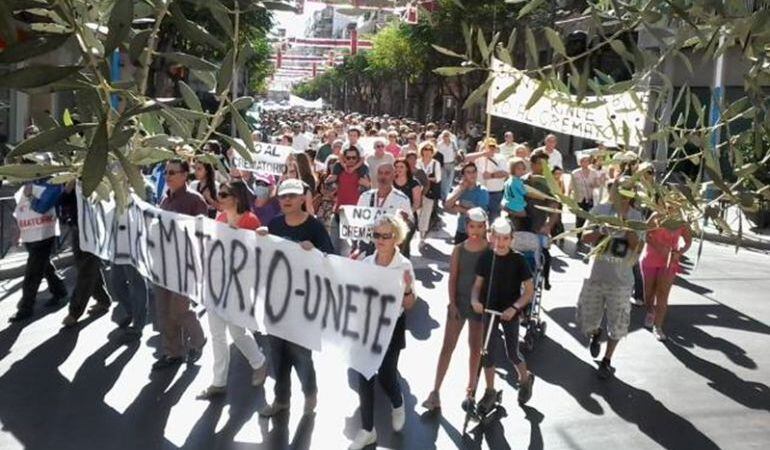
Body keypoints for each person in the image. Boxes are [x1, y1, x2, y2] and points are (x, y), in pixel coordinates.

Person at [260, 178, 335, 416]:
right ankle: (281, 400)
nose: (287, 200)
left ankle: (310, 394)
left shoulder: (314, 227)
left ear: (303, 198)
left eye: (292, 196)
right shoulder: (274, 223)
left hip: (303, 303)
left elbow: (330, 258)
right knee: (277, 355)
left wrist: (315, 252)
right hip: (276, 302)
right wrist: (259, 237)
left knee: (301, 355)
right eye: (283, 196)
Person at [348, 215, 416, 450]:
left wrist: (407, 288)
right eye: (376, 235)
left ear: (396, 237)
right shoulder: (366, 263)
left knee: (387, 375)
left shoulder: (404, 265)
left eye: (385, 236)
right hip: (368, 327)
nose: (380, 240)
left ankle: (397, 403)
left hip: (392, 328)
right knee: (364, 375)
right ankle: (368, 429)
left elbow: (409, 305)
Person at [198, 180, 268, 400]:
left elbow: (258, 254)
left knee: (237, 331)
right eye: (219, 193)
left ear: (236, 197)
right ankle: (218, 383)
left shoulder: (250, 220)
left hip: (238, 285)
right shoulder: (218, 219)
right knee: (217, 334)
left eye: (224, 194)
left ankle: (259, 362)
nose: (219, 198)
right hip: (216, 283)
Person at [576, 177, 644, 379]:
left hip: (621, 282)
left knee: (618, 324)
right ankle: (595, 333)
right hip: (595, 277)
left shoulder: (637, 216)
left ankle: (607, 360)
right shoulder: (599, 210)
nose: (623, 193)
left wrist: (625, 225)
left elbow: (638, 248)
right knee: (586, 321)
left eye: (628, 190)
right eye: (620, 188)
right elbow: (584, 237)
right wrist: (601, 229)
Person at [423, 208, 489, 411]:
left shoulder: (490, 249)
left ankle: (471, 389)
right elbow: (453, 278)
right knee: (447, 347)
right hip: (459, 303)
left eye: (479, 226)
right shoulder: (459, 249)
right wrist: (452, 303)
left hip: (480, 306)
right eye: (471, 226)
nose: (475, 231)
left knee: (475, 348)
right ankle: (435, 392)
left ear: (485, 227)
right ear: (466, 226)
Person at [470, 217, 535, 409]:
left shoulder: (519, 260)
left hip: (509, 312)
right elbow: (477, 286)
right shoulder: (486, 258)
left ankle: (525, 378)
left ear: (511, 239)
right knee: (487, 353)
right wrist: (475, 300)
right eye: (496, 237)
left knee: (512, 353)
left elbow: (529, 292)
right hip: (489, 310)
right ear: (491, 237)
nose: (500, 243)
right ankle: (490, 391)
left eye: (505, 238)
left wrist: (514, 308)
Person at [152, 159, 208, 370]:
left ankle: (198, 340)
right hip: (163, 264)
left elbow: (203, 234)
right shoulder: (165, 199)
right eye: (166, 172)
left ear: (185, 175)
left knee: (179, 309)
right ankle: (172, 353)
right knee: (164, 310)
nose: (168, 176)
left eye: (173, 172)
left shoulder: (195, 201)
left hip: (185, 265)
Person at [9, 171, 68, 322]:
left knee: (33, 271)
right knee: (43, 265)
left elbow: (42, 207)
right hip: (30, 234)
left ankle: (26, 307)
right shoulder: (29, 185)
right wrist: (17, 232)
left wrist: (30, 196)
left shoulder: (53, 184)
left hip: (44, 234)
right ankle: (59, 290)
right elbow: (20, 210)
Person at [640, 196, 692, 341]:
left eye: (676, 205)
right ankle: (650, 311)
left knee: (662, 294)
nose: (672, 208)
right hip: (650, 259)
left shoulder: (682, 222)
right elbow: (644, 233)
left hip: (669, 262)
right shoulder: (657, 216)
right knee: (648, 294)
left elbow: (688, 241)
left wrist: (679, 252)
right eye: (670, 205)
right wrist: (658, 246)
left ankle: (658, 326)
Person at [355, 163, 413, 257]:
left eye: (387, 173)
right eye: (380, 173)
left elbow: (407, 227)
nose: (383, 176)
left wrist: (404, 220)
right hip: (367, 245)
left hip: (389, 248)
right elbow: (356, 222)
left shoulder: (402, 199)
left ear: (394, 175)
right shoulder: (365, 197)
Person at [525, 150, 561, 290]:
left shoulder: (549, 185)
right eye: (540, 164)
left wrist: (549, 225)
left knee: (544, 254)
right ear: (532, 165)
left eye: (546, 164)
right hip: (520, 225)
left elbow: (554, 206)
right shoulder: (522, 180)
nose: (543, 167)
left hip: (539, 226)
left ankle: (545, 279)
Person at [464, 137, 507, 221]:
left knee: (494, 216)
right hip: (480, 191)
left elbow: (505, 173)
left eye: (492, 147)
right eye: (488, 147)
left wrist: (492, 175)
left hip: (495, 193)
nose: (490, 149)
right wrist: (483, 153)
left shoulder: (501, 158)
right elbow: (466, 158)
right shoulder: (478, 158)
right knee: (478, 216)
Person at [445, 162, 489, 244]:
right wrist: (461, 190)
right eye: (468, 172)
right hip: (461, 230)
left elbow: (480, 213)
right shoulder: (460, 188)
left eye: (474, 171)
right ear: (463, 175)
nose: (472, 174)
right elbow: (447, 205)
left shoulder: (482, 191)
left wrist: (458, 208)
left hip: (477, 232)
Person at [568, 154, 602, 242]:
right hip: (579, 198)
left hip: (589, 198)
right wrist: (568, 197)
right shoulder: (575, 173)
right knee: (579, 217)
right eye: (583, 161)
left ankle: (585, 233)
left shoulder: (594, 172)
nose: (584, 163)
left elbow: (598, 184)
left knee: (588, 216)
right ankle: (579, 235)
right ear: (580, 162)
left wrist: (594, 184)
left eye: (586, 161)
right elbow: (571, 185)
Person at [393, 157, 422, 258]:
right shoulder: (391, 182)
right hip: (392, 218)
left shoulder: (414, 183)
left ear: (407, 169)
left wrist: (406, 214)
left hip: (408, 219)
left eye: (401, 167)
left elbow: (417, 203)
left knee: (403, 247)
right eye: (396, 167)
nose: (398, 169)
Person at [416, 142, 442, 246]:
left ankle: (422, 235)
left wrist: (426, 178)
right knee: (417, 213)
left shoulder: (436, 163)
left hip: (430, 192)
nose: (427, 152)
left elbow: (438, 178)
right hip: (417, 191)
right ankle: (418, 231)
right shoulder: (417, 162)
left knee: (426, 214)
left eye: (429, 150)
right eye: (425, 149)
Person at [502, 157, 529, 229]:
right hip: (517, 204)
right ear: (512, 169)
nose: (521, 171)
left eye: (523, 169)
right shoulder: (517, 181)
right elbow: (524, 192)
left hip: (508, 203)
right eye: (518, 169)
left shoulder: (508, 180)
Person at [436, 130, 457, 201]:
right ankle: (443, 196)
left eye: (447, 136)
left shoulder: (453, 143)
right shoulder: (439, 144)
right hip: (443, 164)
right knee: (444, 181)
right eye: (444, 136)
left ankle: (446, 194)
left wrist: (455, 159)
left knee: (450, 180)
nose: (446, 137)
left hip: (451, 163)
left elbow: (455, 151)